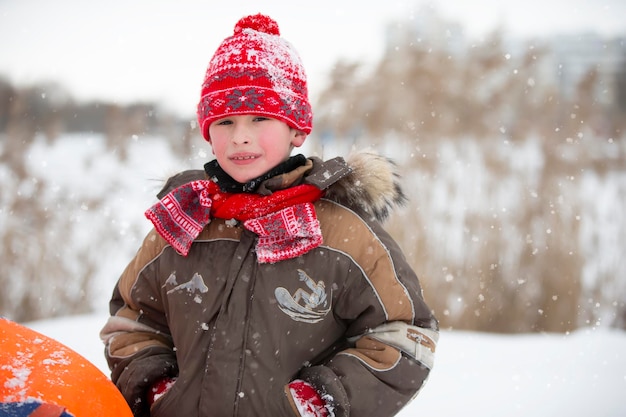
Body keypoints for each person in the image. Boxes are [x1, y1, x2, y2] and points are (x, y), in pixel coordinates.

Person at [100, 13, 438, 417]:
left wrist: (321, 400)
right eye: (225, 121)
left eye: (259, 118)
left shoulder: (342, 233)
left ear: (296, 129)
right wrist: (157, 385)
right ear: (208, 132)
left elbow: (404, 333)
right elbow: (132, 319)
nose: (240, 135)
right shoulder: (181, 225)